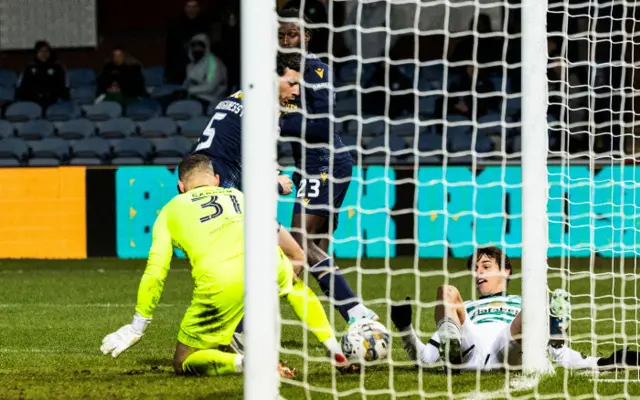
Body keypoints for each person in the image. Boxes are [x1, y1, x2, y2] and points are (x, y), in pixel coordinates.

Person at [100, 154, 350, 377]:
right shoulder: (237, 195)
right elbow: (277, 235)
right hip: (265, 261)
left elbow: (156, 271)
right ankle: (335, 349)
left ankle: (248, 364)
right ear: (217, 179)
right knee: (294, 287)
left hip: (220, 281)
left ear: (180, 186)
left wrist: (137, 326)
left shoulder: (170, 209)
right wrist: (291, 262)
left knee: (184, 360)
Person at [390, 247, 640, 372]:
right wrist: (405, 330)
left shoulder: (523, 303)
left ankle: (555, 328)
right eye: (476, 268)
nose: (479, 272)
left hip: (508, 351)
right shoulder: (464, 307)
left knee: (536, 303)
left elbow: (556, 354)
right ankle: (453, 354)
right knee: (447, 291)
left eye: (486, 266)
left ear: (506, 271)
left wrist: (601, 362)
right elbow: (425, 360)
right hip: (469, 348)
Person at [278, 9, 375, 324]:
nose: (285, 40)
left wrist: (277, 121)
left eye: (292, 34)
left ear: (306, 36)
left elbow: (321, 127)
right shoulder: (279, 74)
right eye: (280, 34)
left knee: (298, 242)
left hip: (326, 163)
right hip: (309, 166)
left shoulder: (317, 71)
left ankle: (357, 312)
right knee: (312, 252)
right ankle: (357, 317)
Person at [165, 0, 211, 84]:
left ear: (198, 8)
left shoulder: (205, 22)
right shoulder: (176, 23)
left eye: (194, 7)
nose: (191, 10)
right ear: (184, 8)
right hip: (182, 61)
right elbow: (171, 50)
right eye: (189, 7)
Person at [16, 40, 69, 108]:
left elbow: (63, 87)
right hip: (31, 102)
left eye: (46, 51)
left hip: (53, 102)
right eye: (40, 51)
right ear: (36, 53)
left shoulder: (58, 67)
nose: (43, 54)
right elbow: (21, 86)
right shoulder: (29, 67)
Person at [182, 34, 228, 107]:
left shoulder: (213, 63)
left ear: (206, 47)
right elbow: (188, 83)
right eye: (194, 46)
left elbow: (211, 87)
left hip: (211, 101)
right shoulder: (191, 65)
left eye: (200, 46)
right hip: (193, 98)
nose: (197, 49)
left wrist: (189, 90)